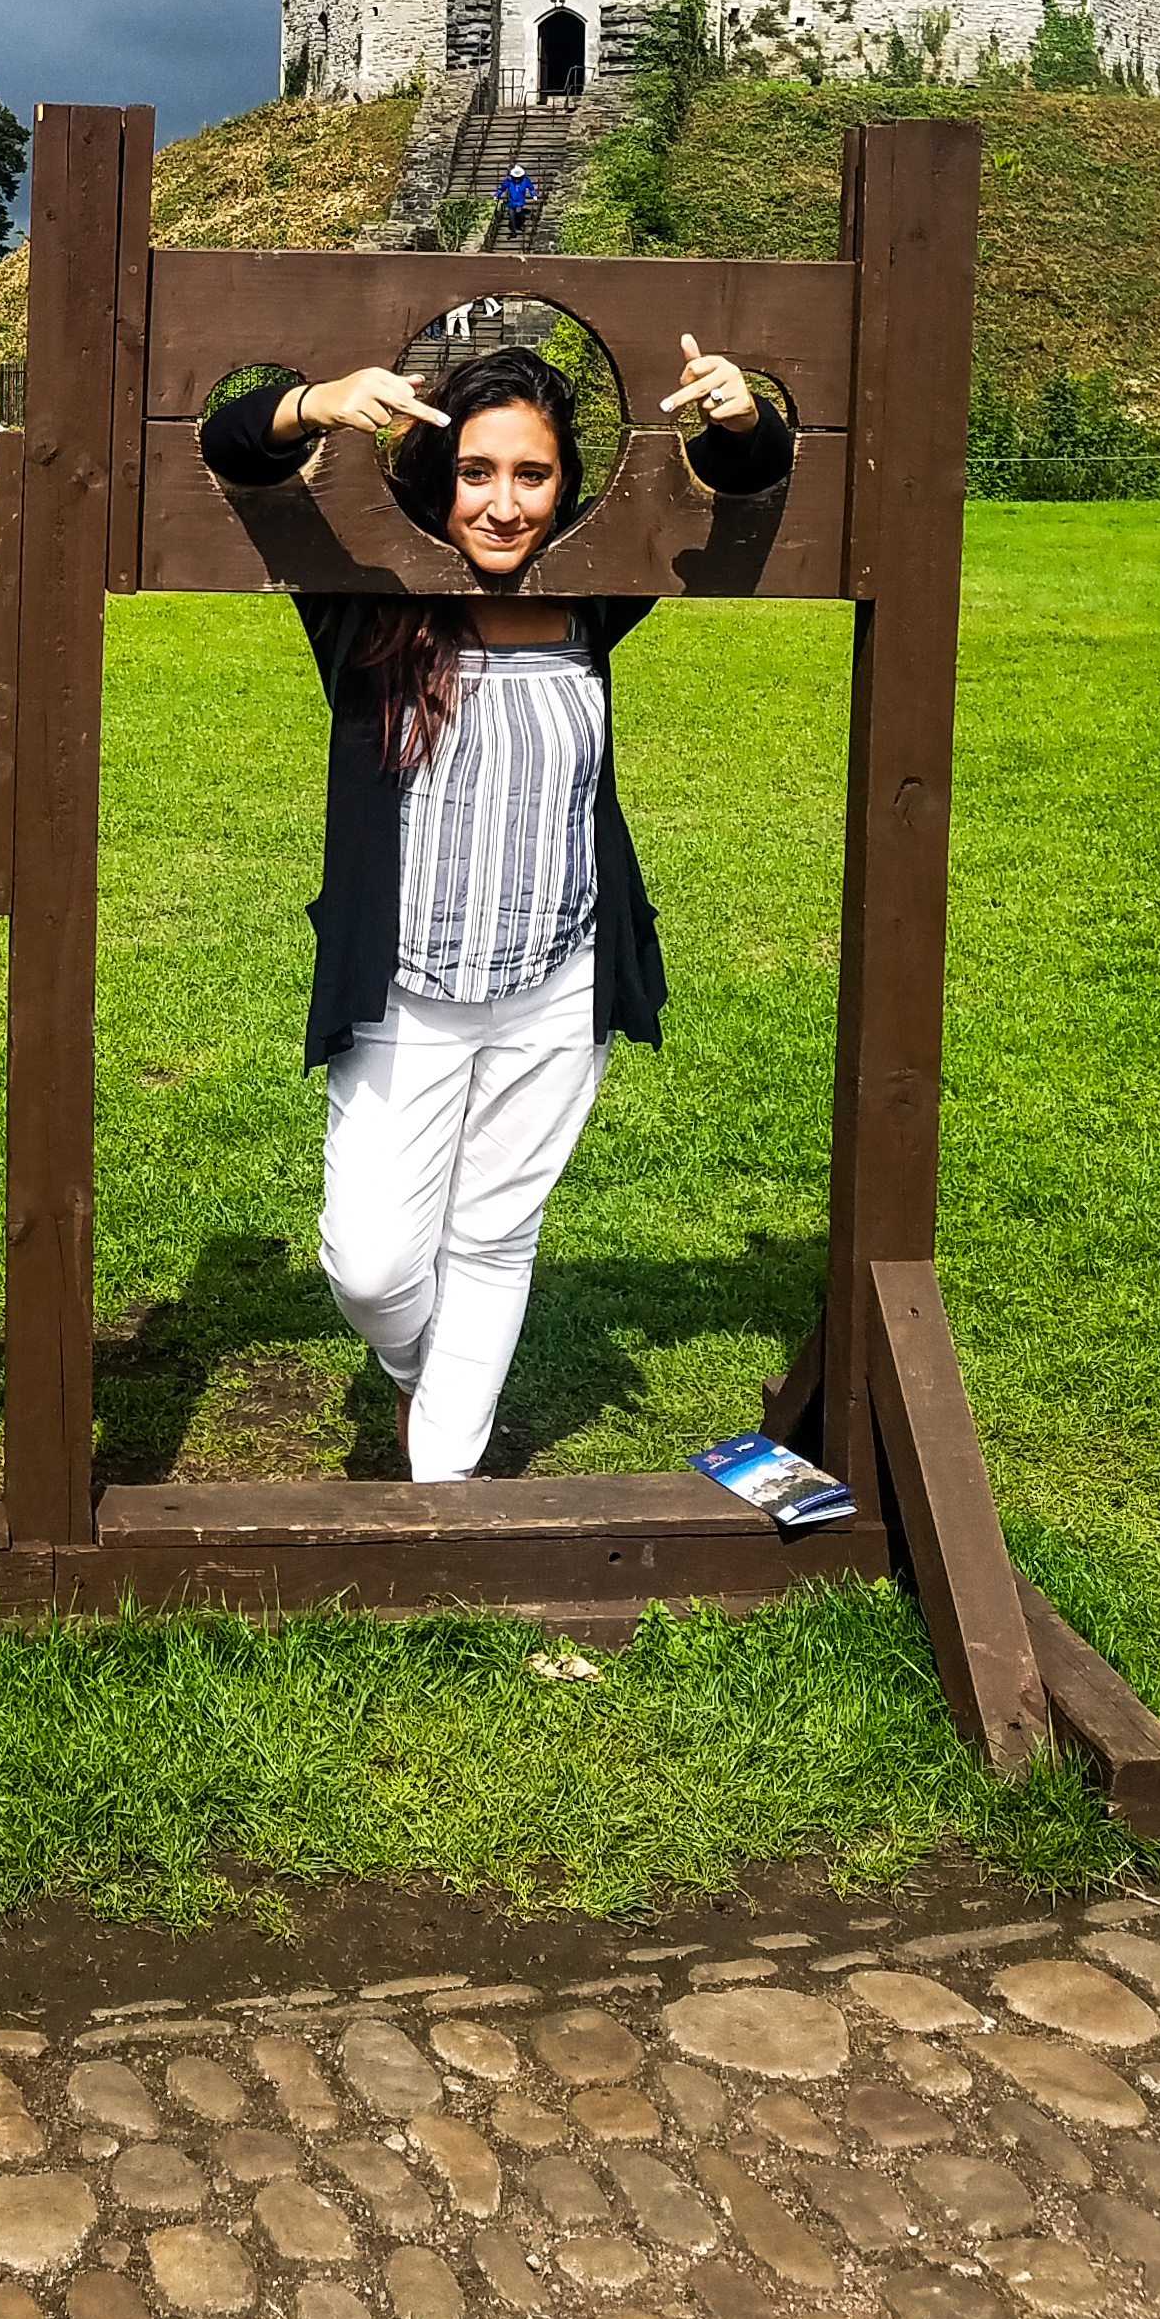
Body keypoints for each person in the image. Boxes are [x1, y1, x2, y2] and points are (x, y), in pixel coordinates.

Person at [200, 329, 789, 1481]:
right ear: (435, 478)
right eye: (477, 473)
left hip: (557, 983)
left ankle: (447, 1494)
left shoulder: (593, 601)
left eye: (534, 476)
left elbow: (750, 492)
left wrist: (739, 416)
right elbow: (225, 455)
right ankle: (436, 1378)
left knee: (491, 1236)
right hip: (406, 984)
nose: (506, 507)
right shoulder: (362, 603)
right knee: (371, 1266)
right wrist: (315, 401)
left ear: (570, 490)